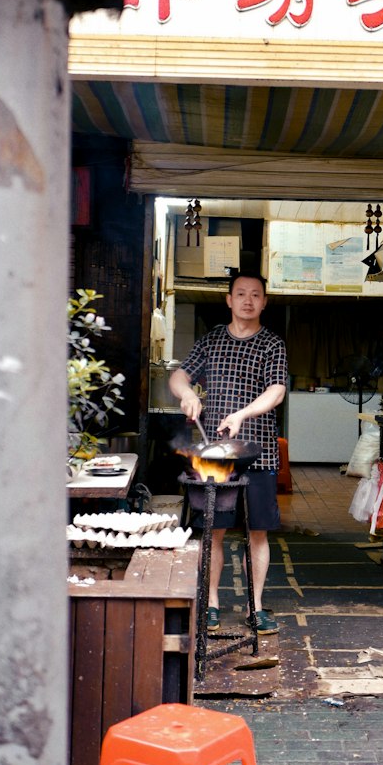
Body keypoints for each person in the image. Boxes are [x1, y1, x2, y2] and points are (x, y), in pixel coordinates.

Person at [168, 271, 287, 634]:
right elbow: (178, 375)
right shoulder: (212, 341)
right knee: (212, 532)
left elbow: (276, 391)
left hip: (260, 454)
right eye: (240, 294)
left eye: (255, 295)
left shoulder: (272, 344)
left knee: (258, 533)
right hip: (215, 457)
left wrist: (242, 413)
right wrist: (187, 393)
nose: (248, 300)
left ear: (264, 302)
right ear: (229, 300)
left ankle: (256, 606)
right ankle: (211, 604)